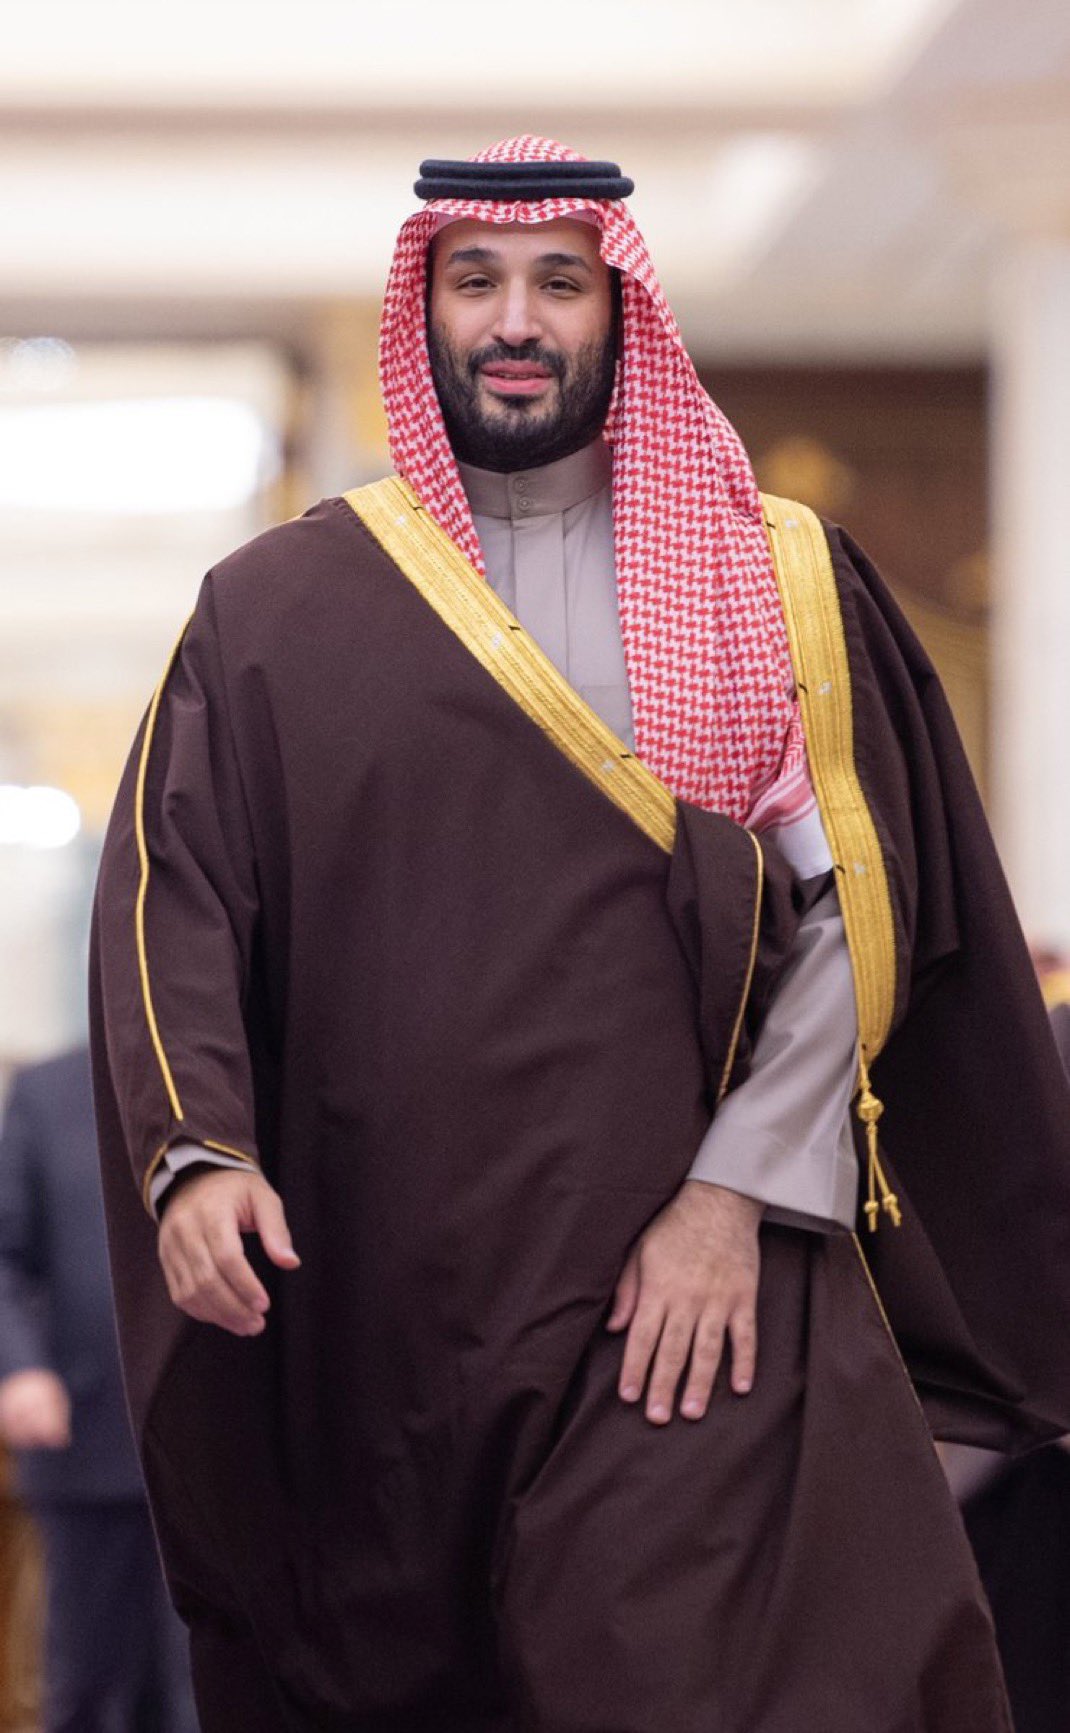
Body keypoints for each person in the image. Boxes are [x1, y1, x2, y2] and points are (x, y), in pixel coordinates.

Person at [90, 137, 1070, 1731]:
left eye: (560, 281)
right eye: (474, 281)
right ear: (422, 311)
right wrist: (195, 1155)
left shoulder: (766, 575)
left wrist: (735, 1194)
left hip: (693, 1290)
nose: (515, 320)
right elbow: (174, 890)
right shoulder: (277, 611)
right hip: (393, 1301)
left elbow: (849, 915)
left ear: (622, 310)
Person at [0, 1047, 199, 1733]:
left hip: (211, 1450)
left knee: (201, 1690)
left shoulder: (229, 1079)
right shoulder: (45, 1092)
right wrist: (20, 1368)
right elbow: (4, 1254)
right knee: (87, 1683)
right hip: (85, 1437)